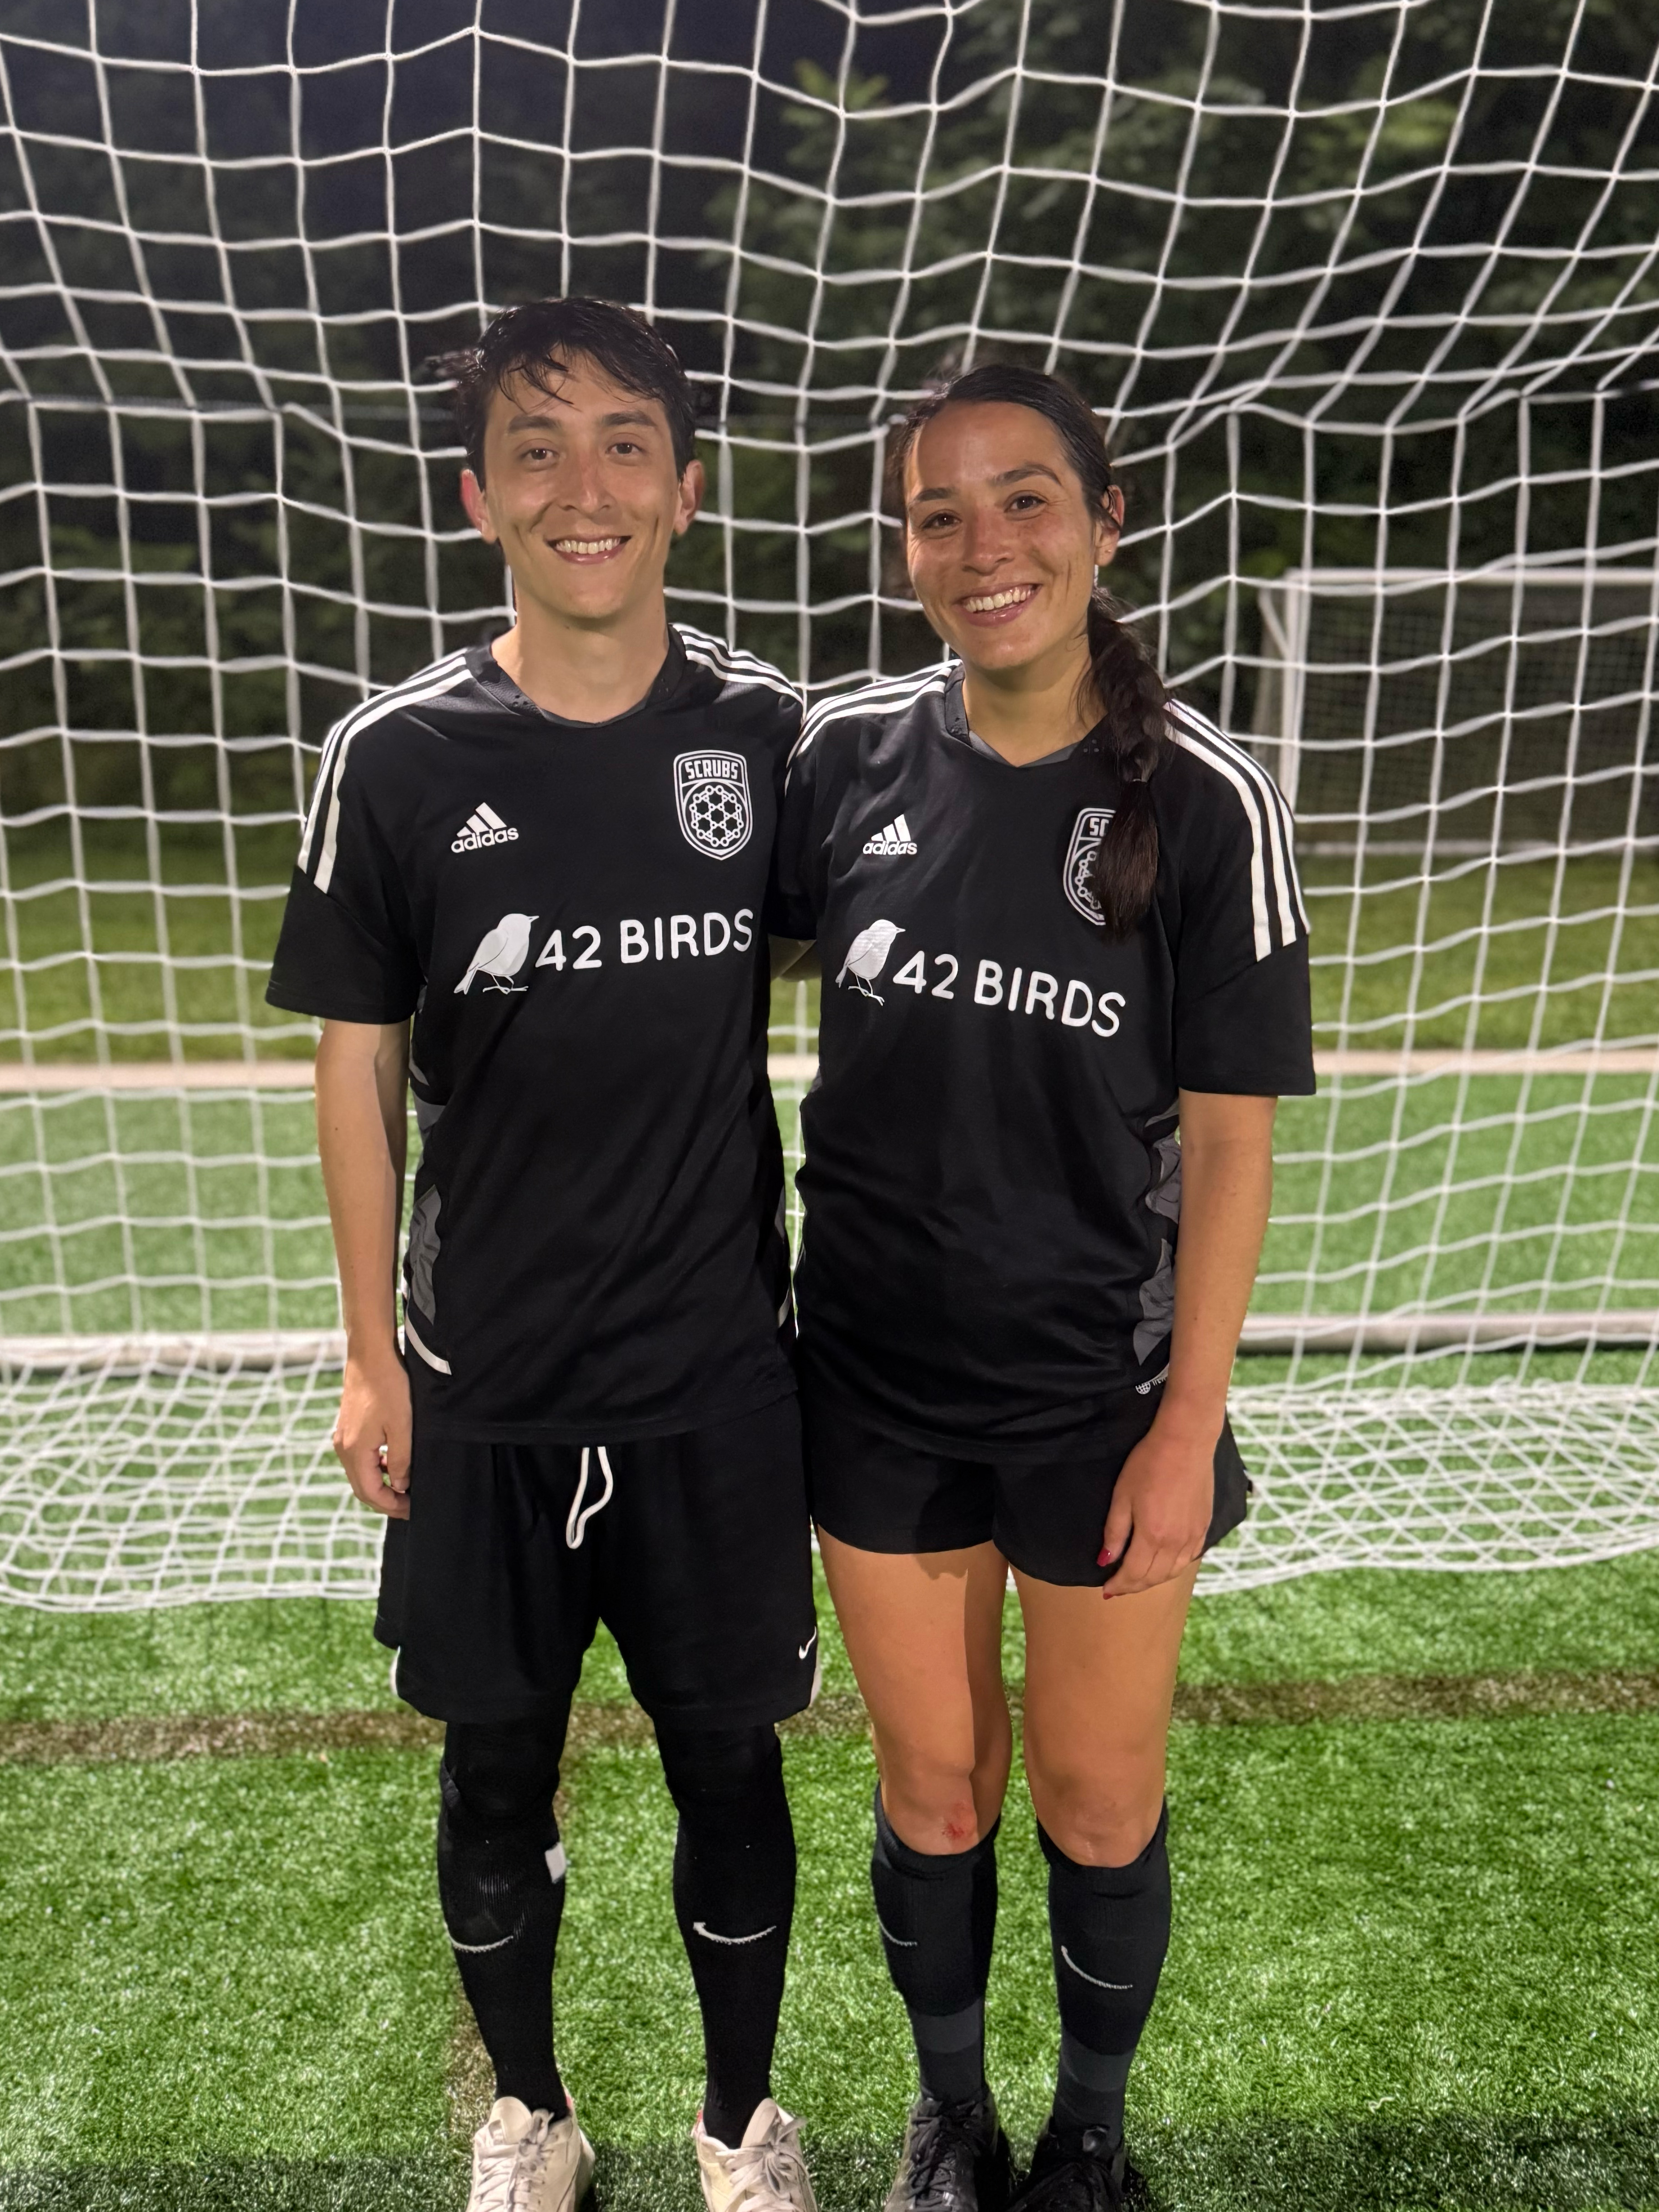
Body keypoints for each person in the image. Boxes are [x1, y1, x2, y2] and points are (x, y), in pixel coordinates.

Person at [266, 298, 820, 2212]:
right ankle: (533, 2114)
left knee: (732, 1770)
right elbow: (356, 1077)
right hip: (485, 1386)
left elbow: (902, 961)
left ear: (684, 486)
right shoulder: (399, 755)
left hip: (714, 1381)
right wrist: (367, 1352)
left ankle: (743, 2126)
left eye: (623, 447)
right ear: (478, 491)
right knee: (493, 1773)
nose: (582, 488)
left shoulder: (762, 734)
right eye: (536, 447)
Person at [771, 363, 1315, 2212]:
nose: (983, 544)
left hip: (1101, 1395)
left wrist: (1191, 1423)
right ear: (904, 546)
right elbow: (682, 961)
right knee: (933, 1792)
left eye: (1024, 500)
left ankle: (1085, 2133)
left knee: (1095, 1798)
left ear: (1102, 521)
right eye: (941, 512)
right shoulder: (841, 761)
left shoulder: (1204, 795)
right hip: (873, 1380)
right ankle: (955, 2119)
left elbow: (1233, 1146)